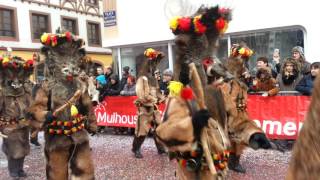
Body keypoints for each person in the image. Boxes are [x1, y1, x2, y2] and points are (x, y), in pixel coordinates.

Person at [26, 31, 97, 179]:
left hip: (79, 135)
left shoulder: (79, 84)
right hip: (57, 139)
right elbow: (35, 110)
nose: (70, 68)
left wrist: (91, 123)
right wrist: (46, 115)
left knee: (86, 172)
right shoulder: (47, 86)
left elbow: (87, 105)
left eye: (72, 62)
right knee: (57, 174)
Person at [0, 52, 34, 178]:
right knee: (13, 151)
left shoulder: (25, 93)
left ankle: (20, 170)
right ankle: (13, 171)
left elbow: (32, 107)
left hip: (23, 126)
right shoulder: (3, 93)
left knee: (23, 149)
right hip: (9, 127)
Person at [132, 48, 166, 158]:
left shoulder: (153, 79)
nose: (153, 68)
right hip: (144, 108)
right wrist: (153, 99)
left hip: (154, 108)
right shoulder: (142, 79)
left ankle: (160, 148)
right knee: (143, 130)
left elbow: (156, 92)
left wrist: (163, 98)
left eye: (154, 66)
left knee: (159, 128)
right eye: (152, 65)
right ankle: (136, 148)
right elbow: (141, 95)